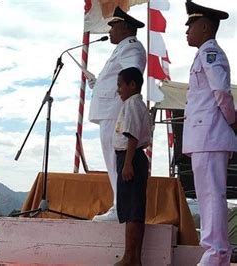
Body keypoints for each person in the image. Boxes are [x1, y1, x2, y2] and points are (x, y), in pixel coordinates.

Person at [183, 1, 236, 265]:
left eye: (191, 25)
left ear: (205, 27)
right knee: (208, 196)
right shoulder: (203, 54)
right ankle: (218, 254)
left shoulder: (211, 52)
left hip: (210, 136)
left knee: (211, 195)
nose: (187, 31)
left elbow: (221, 92)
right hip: (205, 137)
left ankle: (214, 253)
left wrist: (233, 122)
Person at [88, 6, 146, 221]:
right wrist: (97, 83)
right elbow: (119, 78)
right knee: (112, 161)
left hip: (116, 111)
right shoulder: (121, 48)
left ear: (125, 27)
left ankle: (120, 208)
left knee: (115, 162)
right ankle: (118, 206)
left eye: (113, 25)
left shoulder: (131, 47)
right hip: (110, 109)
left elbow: (132, 78)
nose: (109, 30)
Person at [113, 67, 150, 265]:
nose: (118, 90)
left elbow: (132, 135)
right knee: (131, 209)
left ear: (132, 85)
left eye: (120, 85)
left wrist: (127, 164)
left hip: (131, 157)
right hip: (129, 157)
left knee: (133, 210)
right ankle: (133, 257)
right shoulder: (131, 104)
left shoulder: (133, 104)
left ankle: (131, 257)